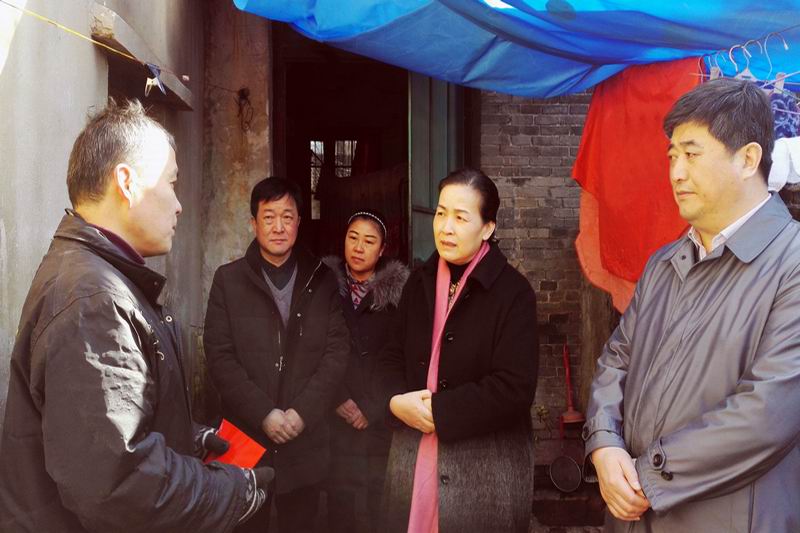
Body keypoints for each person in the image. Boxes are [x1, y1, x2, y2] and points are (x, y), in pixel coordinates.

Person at [0, 99, 270, 532]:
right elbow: (117, 485)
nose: (178, 205)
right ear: (127, 183)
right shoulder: (93, 300)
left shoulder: (98, 279)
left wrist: (188, 437)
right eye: (171, 184)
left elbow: (110, 431)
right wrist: (230, 492)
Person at [583, 77, 800, 532]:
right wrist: (604, 445)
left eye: (692, 154)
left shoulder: (791, 263)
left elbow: (769, 412)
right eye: (672, 156)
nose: (676, 173)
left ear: (748, 159)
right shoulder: (665, 262)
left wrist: (648, 476)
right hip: (631, 513)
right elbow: (617, 360)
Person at [375, 168, 539, 532]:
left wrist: (440, 411)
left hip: (483, 470)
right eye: (441, 213)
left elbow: (515, 388)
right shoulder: (418, 282)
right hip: (412, 454)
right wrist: (394, 401)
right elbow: (390, 356)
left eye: (461, 218)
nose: (446, 227)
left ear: (487, 228)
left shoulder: (513, 293)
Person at [204, 177, 350, 533]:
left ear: (299, 221)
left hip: (305, 439)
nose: (279, 227)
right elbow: (219, 356)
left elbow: (336, 352)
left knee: (301, 523)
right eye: (269, 217)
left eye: (287, 217)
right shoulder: (228, 280)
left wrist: (302, 413)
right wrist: (263, 413)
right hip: (247, 438)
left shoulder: (322, 280)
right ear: (254, 223)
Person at [321, 210, 409, 533]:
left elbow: (401, 356)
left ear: (382, 249)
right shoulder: (323, 287)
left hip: (380, 415)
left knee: (380, 500)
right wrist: (337, 398)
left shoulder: (400, 296)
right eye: (353, 238)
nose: (358, 248)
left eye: (369, 241)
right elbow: (314, 348)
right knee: (339, 500)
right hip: (335, 412)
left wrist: (373, 407)